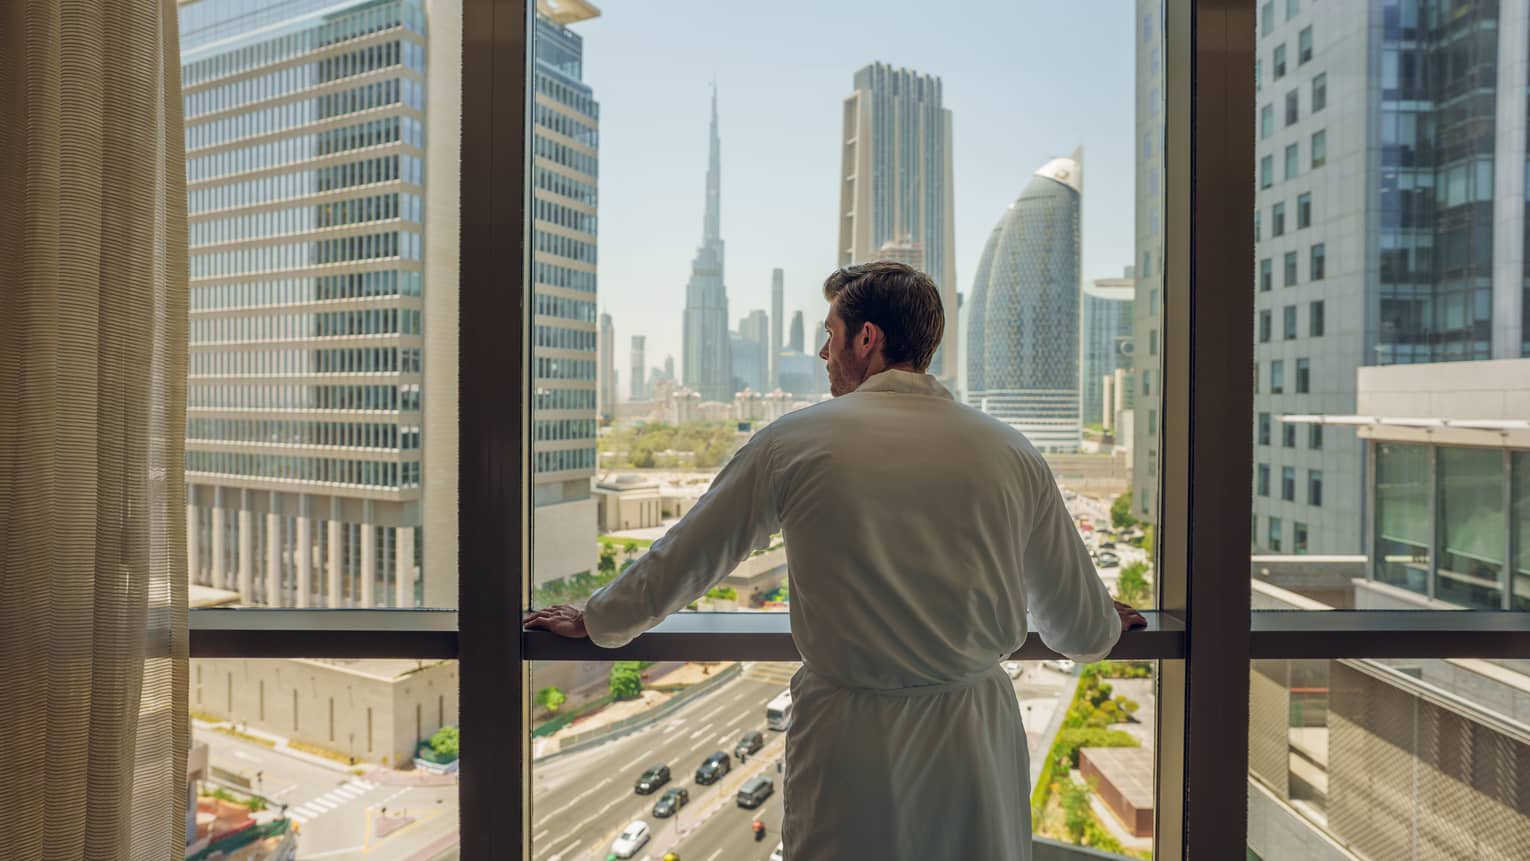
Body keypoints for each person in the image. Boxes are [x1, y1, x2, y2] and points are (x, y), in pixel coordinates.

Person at [525, 262, 1148, 860]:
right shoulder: (1010, 452)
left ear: (867, 339)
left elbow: (688, 555)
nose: (824, 354)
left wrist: (597, 619)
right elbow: (1079, 628)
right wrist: (1104, 621)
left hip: (850, 746)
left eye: (830, 335)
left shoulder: (795, 442)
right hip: (973, 741)